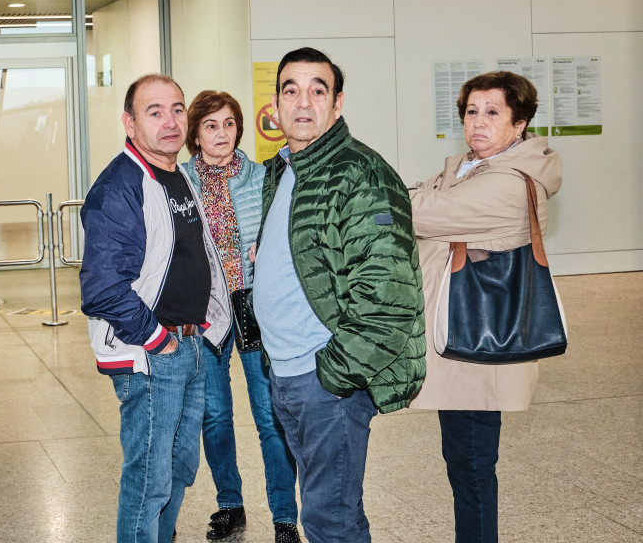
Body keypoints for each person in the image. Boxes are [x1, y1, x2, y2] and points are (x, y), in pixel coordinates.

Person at [251, 47, 425, 543]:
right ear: (276, 104)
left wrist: (333, 374)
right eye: (291, 89)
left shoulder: (360, 173)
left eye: (317, 90)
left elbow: (390, 300)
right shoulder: (284, 169)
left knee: (328, 520)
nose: (303, 102)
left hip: (324, 381)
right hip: (286, 373)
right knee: (337, 513)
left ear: (338, 103)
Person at [408, 71, 562, 543]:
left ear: (519, 124)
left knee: (473, 472)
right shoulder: (465, 168)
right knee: (462, 467)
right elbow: (415, 199)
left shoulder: (515, 182)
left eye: (493, 112)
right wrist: (430, 199)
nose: (478, 122)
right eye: (471, 111)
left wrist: (429, 201)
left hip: (478, 349)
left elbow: (413, 210)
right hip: (454, 340)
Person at [80, 73, 233, 543]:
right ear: (129, 123)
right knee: (149, 480)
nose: (171, 122)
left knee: (181, 467)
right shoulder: (119, 187)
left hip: (191, 344)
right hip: (152, 354)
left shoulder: (177, 174)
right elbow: (101, 287)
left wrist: (205, 325)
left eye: (178, 109)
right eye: (155, 112)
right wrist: (158, 339)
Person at [182, 90, 301, 543]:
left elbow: (285, 228)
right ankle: (229, 505)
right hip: (204, 312)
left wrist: (266, 248)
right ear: (196, 133)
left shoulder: (261, 177)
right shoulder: (181, 182)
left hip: (253, 306)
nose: (222, 133)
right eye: (211, 125)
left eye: (229, 123)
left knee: (269, 415)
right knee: (214, 416)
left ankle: (285, 517)